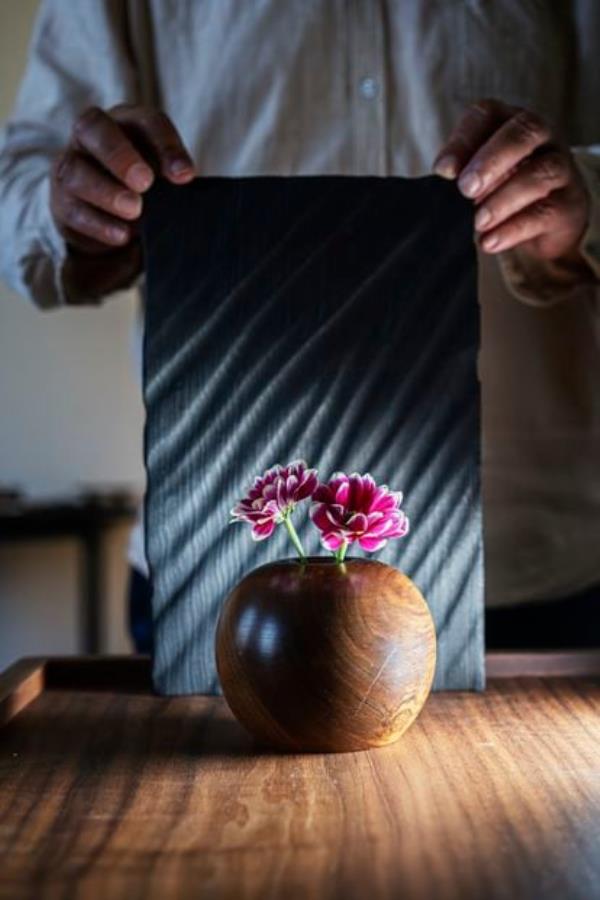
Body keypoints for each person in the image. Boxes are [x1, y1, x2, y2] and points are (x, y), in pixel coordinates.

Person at [1, 1, 599, 651]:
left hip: (530, 572)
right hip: (219, 569)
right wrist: (71, 209)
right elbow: (20, 192)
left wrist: (587, 202)